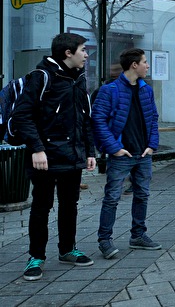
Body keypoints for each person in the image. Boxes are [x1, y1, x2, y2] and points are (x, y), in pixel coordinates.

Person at [11, 32, 96, 281]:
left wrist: (90, 152)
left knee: (70, 205)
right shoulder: (42, 76)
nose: (86, 54)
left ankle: (67, 250)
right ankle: (35, 257)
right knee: (42, 207)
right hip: (45, 157)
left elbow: (85, 119)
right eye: (83, 49)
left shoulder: (79, 78)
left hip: (72, 156)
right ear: (68, 53)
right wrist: (37, 149)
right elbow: (22, 116)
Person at [92, 48, 161, 260]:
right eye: (145, 62)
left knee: (142, 194)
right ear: (134, 65)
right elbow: (98, 121)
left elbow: (153, 118)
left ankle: (138, 236)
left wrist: (152, 144)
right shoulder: (109, 90)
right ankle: (105, 240)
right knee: (112, 197)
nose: (147, 66)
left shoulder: (145, 89)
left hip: (143, 154)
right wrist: (114, 148)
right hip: (122, 155)